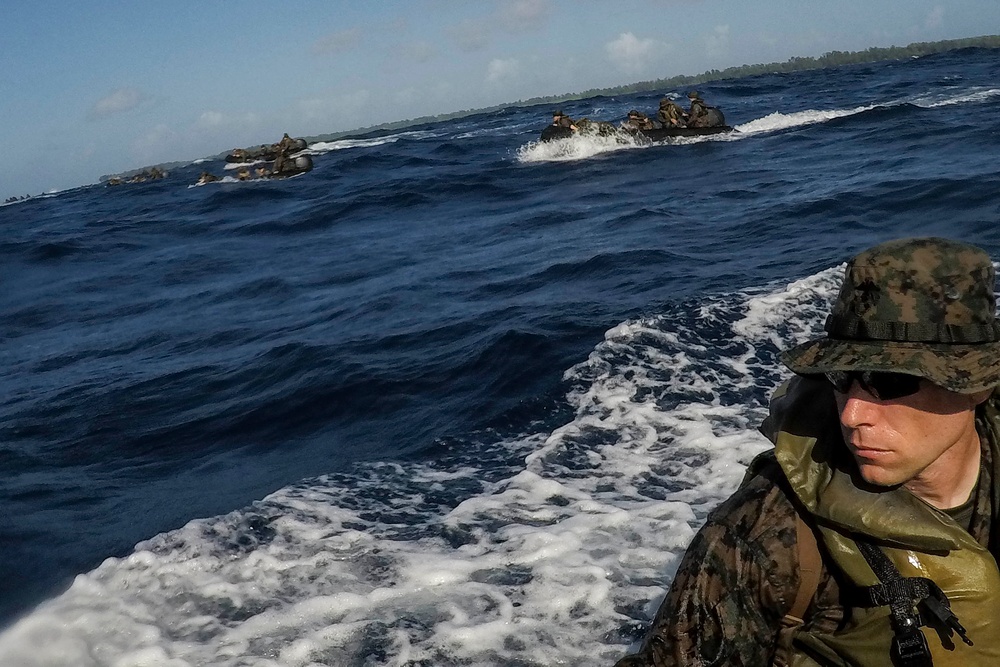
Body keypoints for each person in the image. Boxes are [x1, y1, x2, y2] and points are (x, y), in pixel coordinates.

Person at [615, 237, 1000, 666]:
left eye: (890, 382)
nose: (853, 414)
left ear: (977, 384)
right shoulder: (757, 536)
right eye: (840, 376)